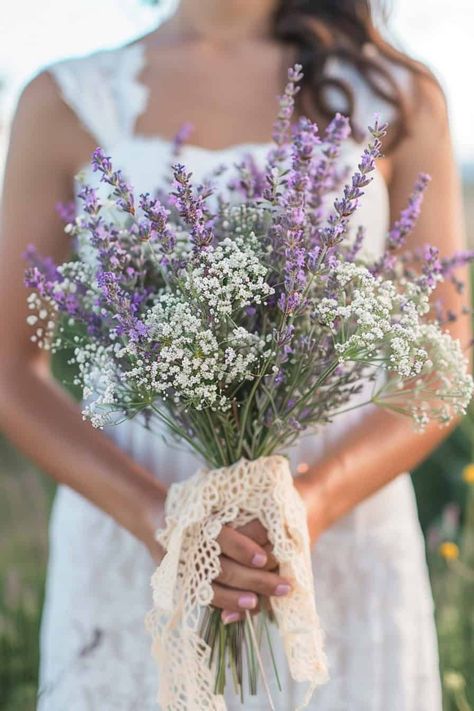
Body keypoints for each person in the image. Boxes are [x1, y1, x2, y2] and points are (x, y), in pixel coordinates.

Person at [0, 1, 470, 709]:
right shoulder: (66, 97)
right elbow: (9, 367)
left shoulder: (398, 95)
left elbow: (442, 362)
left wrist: (304, 508)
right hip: (130, 544)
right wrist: (162, 520)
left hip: (339, 545)